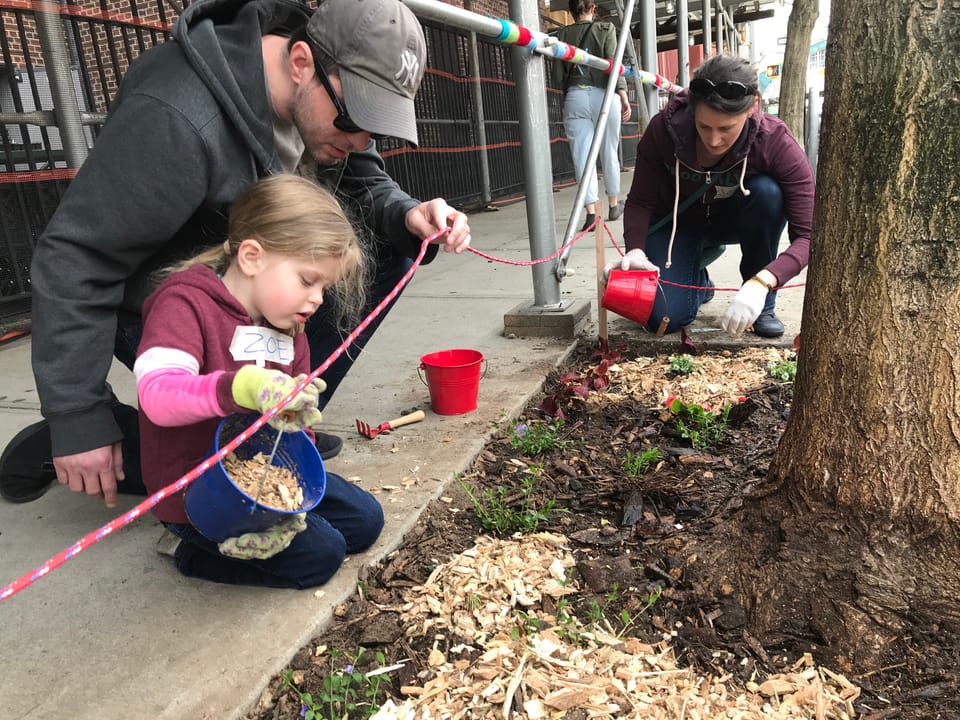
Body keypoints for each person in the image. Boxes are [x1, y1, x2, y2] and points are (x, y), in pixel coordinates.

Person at [0, 0, 471, 508]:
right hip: (173, 309)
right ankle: (85, 444)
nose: (360, 139)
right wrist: (77, 418)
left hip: (250, 290)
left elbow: (365, 180)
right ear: (300, 63)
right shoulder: (177, 116)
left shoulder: (331, 106)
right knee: (203, 456)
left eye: (376, 126)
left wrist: (406, 214)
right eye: (356, 118)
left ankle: (275, 430)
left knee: (387, 250)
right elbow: (78, 255)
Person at [136, 174, 381, 588]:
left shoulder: (287, 325)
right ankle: (187, 549)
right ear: (252, 257)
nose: (318, 298)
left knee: (365, 521)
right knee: (323, 555)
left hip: (259, 474)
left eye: (325, 285)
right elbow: (156, 395)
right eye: (307, 280)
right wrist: (238, 388)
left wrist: (297, 425)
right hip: (199, 494)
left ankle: (278, 523)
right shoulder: (185, 303)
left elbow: (285, 422)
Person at [611, 54, 814, 338]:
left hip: (734, 220)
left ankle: (761, 305)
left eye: (726, 129)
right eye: (704, 126)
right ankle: (698, 280)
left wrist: (764, 281)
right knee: (661, 319)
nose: (714, 140)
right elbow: (641, 200)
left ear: (753, 106)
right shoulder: (663, 130)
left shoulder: (775, 142)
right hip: (676, 224)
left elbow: (809, 236)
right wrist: (635, 250)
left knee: (768, 193)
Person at [553, 0, 632, 231]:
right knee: (609, 149)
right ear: (593, 8)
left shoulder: (562, 33)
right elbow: (612, 62)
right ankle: (613, 204)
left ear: (571, 11)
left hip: (575, 96)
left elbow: (558, 75)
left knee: (581, 156)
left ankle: (590, 213)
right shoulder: (605, 29)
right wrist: (623, 93)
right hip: (604, 96)